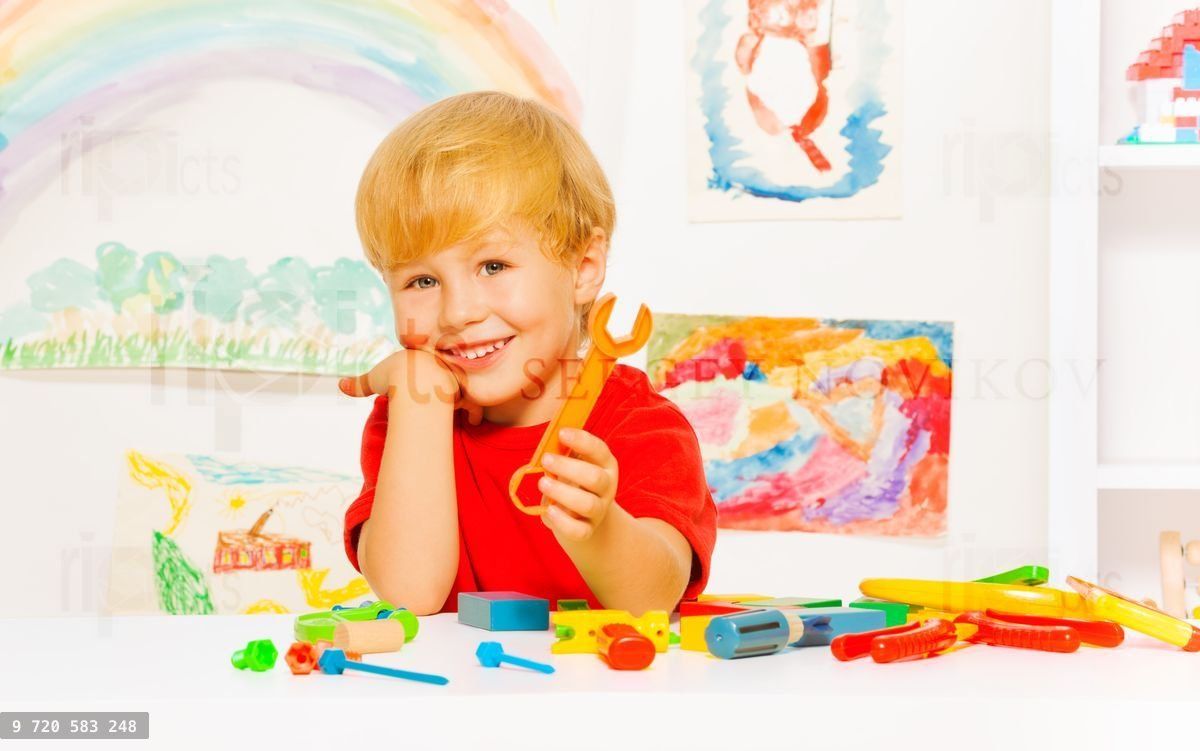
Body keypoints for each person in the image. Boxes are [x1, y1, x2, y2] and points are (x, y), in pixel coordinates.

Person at [340, 91, 717, 615]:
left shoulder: (642, 425)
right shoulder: (409, 420)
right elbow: (411, 594)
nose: (457, 312)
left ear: (583, 268)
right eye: (422, 280)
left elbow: (653, 599)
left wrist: (599, 529)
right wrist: (417, 400)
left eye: (493, 266)